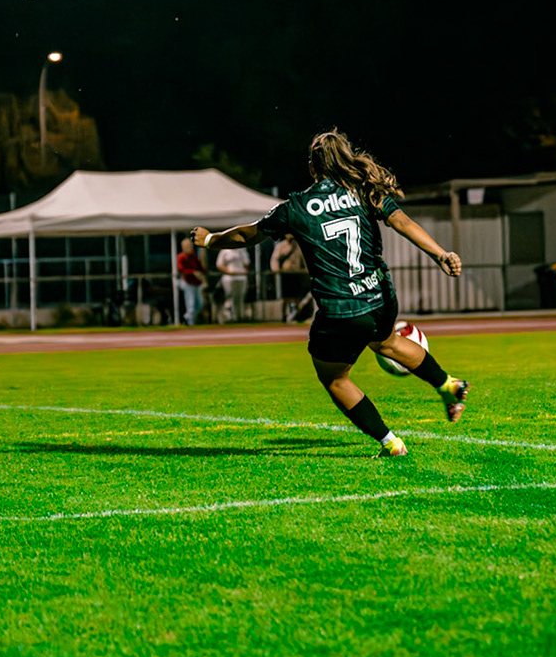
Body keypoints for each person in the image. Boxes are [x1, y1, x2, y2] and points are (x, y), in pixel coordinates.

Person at [194, 128, 471, 457]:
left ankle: (391, 443)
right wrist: (440, 254)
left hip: (342, 310)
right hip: (380, 297)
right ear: (346, 157)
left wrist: (211, 240)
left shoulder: (296, 206)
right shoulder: (365, 191)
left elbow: (247, 235)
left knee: (335, 378)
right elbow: (402, 222)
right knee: (386, 342)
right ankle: (449, 384)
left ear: (313, 166)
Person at [272, 234, 313, 322]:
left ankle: (297, 315)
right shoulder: (281, 245)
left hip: (296, 272)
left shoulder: (298, 245)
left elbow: (303, 258)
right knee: (286, 297)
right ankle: (284, 316)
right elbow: (275, 258)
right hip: (285, 272)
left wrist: (306, 270)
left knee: (296, 296)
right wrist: (276, 269)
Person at [214, 241, 251, 321]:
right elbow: (219, 264)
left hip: (241, 277)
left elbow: (247, 262)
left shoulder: (242, 250)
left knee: (240, 297)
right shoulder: (225, 251)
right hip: (229, 278)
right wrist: (228, 271)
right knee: (230, 297)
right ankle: (229, 317)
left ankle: (239, 316)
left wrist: (244, 271)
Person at [175, 237, 206, 325]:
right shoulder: (181, 257)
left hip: (196, 283)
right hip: (187, 282)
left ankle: (187, 318)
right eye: (187, 246)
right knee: (190, 304)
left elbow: (200, 268)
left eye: (190, 246)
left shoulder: (194, 256)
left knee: (199, 305)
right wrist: (193, 272)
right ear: (183, 247)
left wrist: (202, 265)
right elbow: (180, 269)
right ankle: (190, 322)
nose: (189, 248)